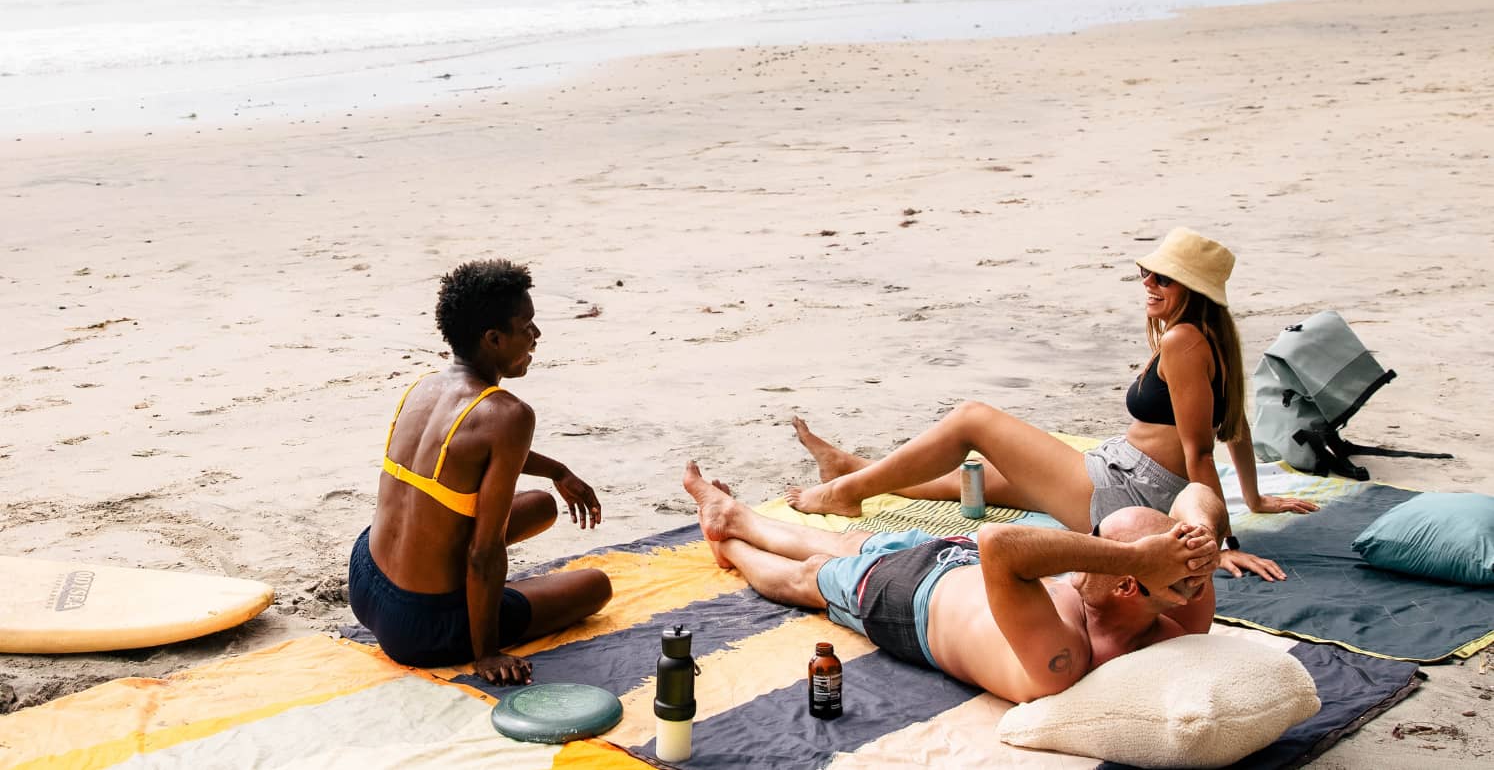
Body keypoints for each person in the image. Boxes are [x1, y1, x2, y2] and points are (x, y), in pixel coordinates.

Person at [786, 227, 1316, 581]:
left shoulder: (1183, 342)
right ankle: (854, 469)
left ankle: (845, 491)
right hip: (1126, 473)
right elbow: (1238, 427)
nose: (1149, 285)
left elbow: (1202, 452)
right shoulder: (1210, 337)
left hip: (1129, 489)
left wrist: (1217, 543)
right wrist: (1257, 498)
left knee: (973, 419)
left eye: (1163, 279)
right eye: (1147, 274)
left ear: (1192, 289)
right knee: (977, 481)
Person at [686, 462, 1223, 702]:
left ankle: (728, 542)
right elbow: (1198, 489)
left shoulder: (1067, 658)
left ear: (1131, 585)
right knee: (851, 541)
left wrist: (1139, 555)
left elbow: (1002, 547)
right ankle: (737, 517)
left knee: (810, 578)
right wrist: (1195, 539)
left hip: (909, 602)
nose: (1091, 541)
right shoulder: (1177, 603)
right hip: (958, 560)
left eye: (1103, 545)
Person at [348, 259, 612, 685]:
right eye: (527, 327)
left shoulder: (424, 388)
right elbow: (484, 554)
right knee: (596, 586)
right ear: (493, 339)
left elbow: (474, 450)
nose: (536, 337)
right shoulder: (509, 414)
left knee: (542, 506)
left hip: (363, 578)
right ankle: (472, 619)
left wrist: (557, 471)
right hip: (418, 628)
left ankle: (443, 584)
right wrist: (486, 653)